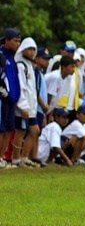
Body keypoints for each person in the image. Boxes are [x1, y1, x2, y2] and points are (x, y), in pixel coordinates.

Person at [14, 37, 40, 167]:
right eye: (29, 49)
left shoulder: (30, 65)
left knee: (34, 131)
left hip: (31, 107)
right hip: (23, 107)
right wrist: (23, 106)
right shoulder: (21, 65)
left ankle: (24, 157)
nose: (31, 52)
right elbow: (21, 87)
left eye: (33, 49)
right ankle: (16, 159)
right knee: (21, 132)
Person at [0, 28, 21, 169]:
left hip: (12, 100)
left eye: (19, 41)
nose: (18, 44)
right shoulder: (1, 56)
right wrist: (5, 94)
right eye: (15, 41)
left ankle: (2, 158)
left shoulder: (13, 59)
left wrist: (15, 96)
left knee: (9, 129)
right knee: (1, 130)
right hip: (3, 100)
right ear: (7, 40)